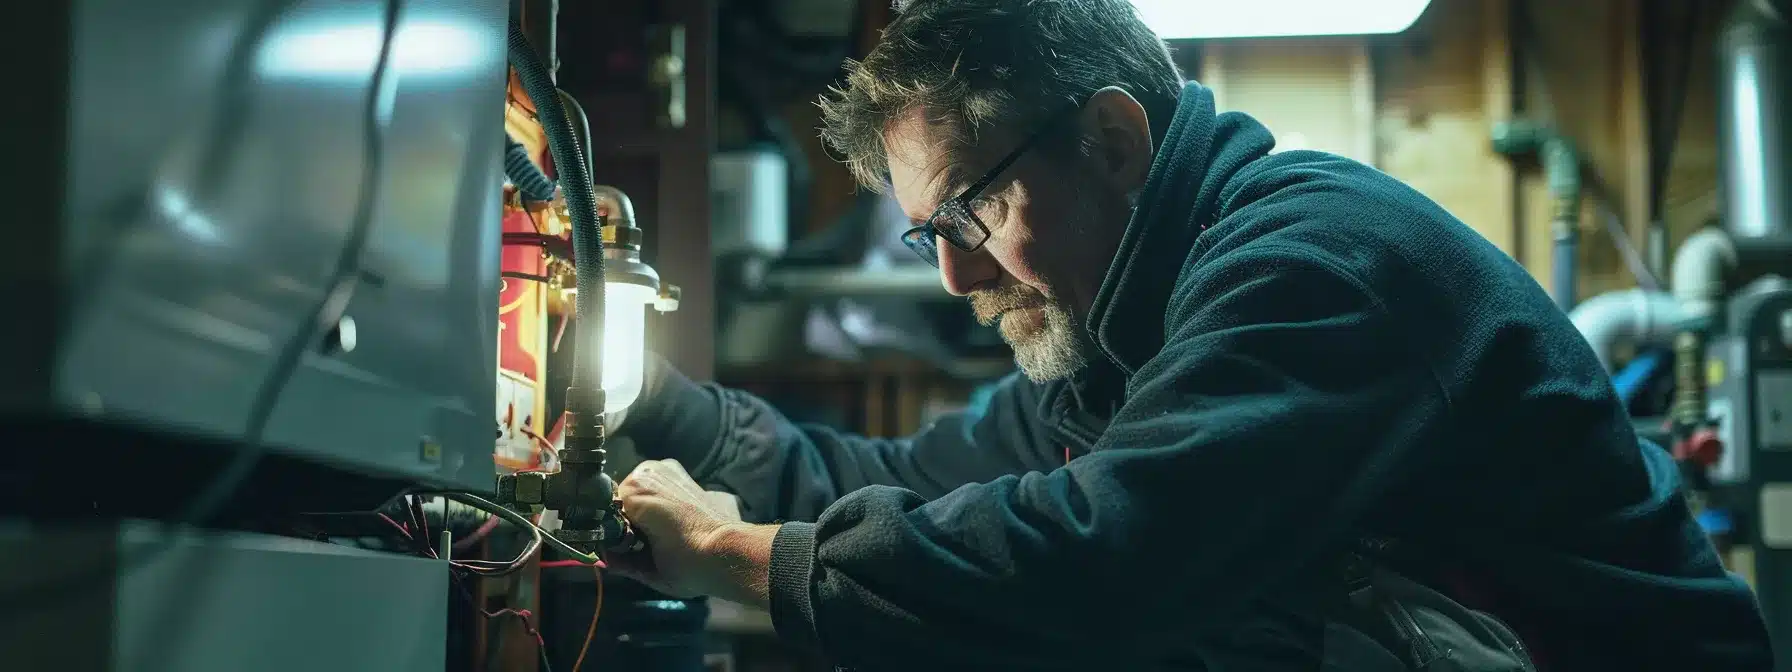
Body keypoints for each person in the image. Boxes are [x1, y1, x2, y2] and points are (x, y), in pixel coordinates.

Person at [606, 0, 1774, 669]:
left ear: (1111, 144)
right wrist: (656, 402)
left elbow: (1101, 553)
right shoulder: (1117, 338)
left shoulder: (1307, 268)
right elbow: (896, 480)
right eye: (928, 236)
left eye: (968, 213)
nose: (956, 272)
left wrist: (736, 556)